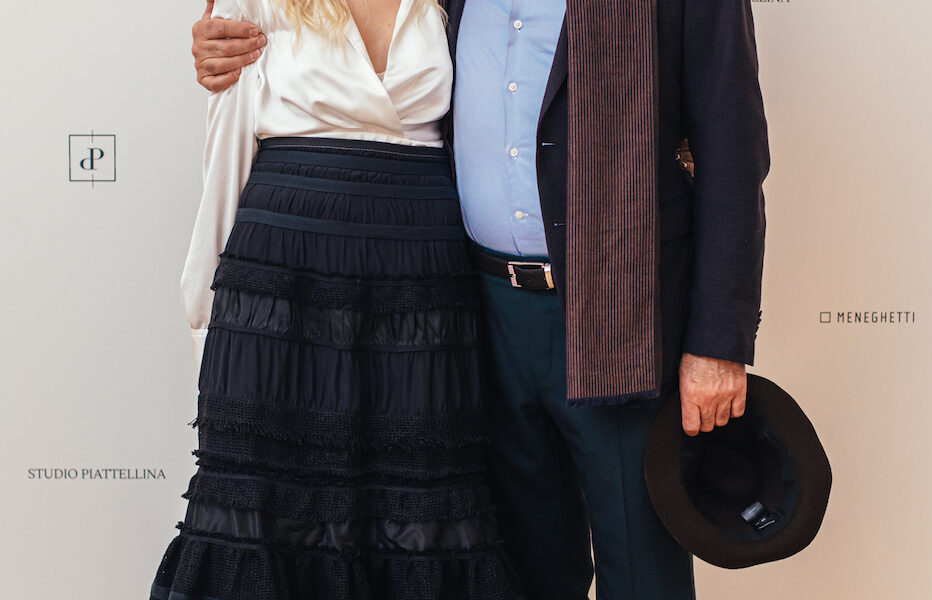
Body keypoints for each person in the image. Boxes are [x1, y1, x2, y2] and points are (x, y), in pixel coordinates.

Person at [189, 0, 769, 598]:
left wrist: (716, 345)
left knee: (642, 565)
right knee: (522, 566)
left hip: (615, 314)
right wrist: (220, 49)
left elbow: (733, 154)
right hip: (477, 313)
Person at [150, 1, 526, 599]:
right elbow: (225, 146)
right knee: (270, 509)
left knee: (420, 508)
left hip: (420, 281)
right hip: (286, 272)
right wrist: (206, 312)